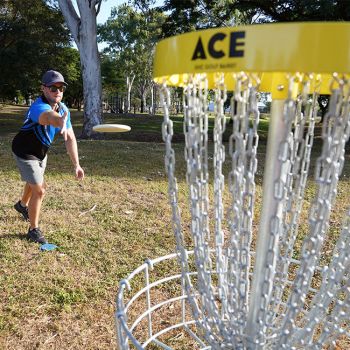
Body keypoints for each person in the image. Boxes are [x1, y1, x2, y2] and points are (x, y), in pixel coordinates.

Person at [12, 70, 84, 244]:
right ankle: (33, 230)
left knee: (33, 182)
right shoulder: (38, 106)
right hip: (24, 152)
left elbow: (71, 138)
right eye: (53, 87)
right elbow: (46, 117)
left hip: (40, 153)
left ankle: (21, 206)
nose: (57, 91)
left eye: (61, 87)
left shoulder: (63, 109)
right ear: (43, 88)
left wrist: (76, 165)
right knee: (40, 189)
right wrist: (59, 121)